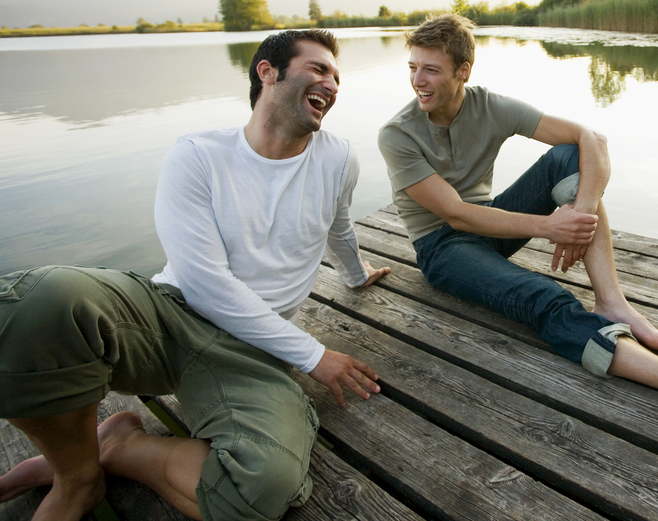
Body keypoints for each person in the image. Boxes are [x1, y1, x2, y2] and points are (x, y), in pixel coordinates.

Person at [0, 29, 390, 521]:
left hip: (249, 353)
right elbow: (203, 282)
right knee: (36, 301)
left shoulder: (338, 159)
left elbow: (340, 227)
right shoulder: (198, 156)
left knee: (263, 485)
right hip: (167, 316)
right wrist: (314, 355)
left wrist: (357, 276)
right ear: (267, 73)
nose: (332, 84)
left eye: (336, 76)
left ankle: (118, 448)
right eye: (318, 69)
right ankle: (75, 475)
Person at [378, 14, 658, 423]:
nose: (418, 80)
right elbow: (456, 214)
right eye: (413, 68)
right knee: (543, 295)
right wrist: (549, 226)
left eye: (430, 70)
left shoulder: (489, 105)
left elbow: (592, 139)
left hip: (490, 228)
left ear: (462, 71)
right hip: (442, 249)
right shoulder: (397, 133)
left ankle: (612, 301)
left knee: (569, 157)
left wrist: (582, 212)